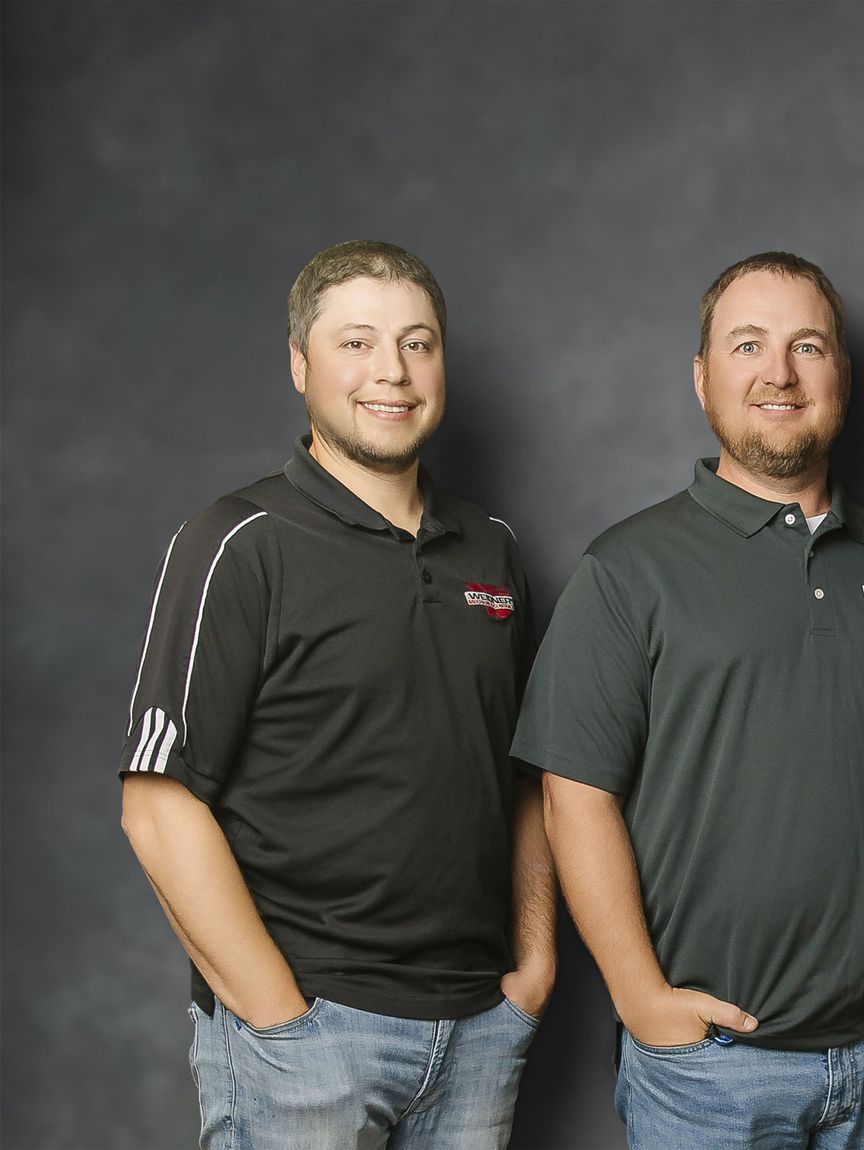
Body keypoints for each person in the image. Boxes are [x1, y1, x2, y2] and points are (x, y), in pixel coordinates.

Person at [513, 251, 864, 1150]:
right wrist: (640, 996)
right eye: (748, 345)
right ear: (703, 377)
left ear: (841, 376)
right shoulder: (628, 570)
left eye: (807, 346)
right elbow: (574, 796)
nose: (779, 372)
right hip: (708, 1069)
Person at [119, 240, 555, 1149]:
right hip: (312, 1028)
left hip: (479, 1030)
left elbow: (520, 775)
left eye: (417, 343)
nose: (392, 371)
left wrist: (533, 965)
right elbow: (158, 804)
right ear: (300, 364)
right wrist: (281, 1022)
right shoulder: (239, 543)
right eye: (356, 343)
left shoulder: (492, 548)